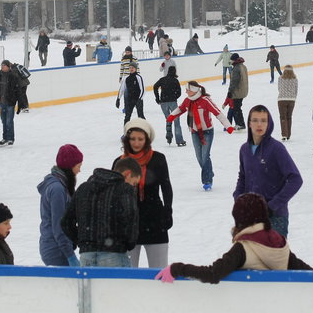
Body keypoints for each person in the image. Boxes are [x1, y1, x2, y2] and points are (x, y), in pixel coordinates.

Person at [154, 193, 313, 284]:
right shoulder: (278, 241)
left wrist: (178, 268)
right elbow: (300, 267)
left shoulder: (243, 248)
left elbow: (213, 274)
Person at [234, 105, 303, 237]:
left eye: (263, 120)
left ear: (269, 123)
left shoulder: (276, 148)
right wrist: (238, 198)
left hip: (275, 218)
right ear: (249, 123)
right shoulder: (245, 150)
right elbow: (243, 177)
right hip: (250, 217)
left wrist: (272, 206)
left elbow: (295, 179)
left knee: (272, 257)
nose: (259, 124)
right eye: (255, 120)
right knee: (251, 257)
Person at [114, 118, 174, 268]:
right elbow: (113, 193)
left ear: (147, 139)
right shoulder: (119, 162)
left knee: (159, 271)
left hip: (154, 220)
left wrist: (168, 210)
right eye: (132, 139)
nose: (136, 143)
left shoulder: (158, 159)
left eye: (140, 139)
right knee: (128, 274)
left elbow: (166, 187)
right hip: (128, 223)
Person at [61, 157, 141, 267]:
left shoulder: (83, 188)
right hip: (115, 254)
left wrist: (83, 242)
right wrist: (127, 243)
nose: (133, 187)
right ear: (127, 174)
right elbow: (131, 219)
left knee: (91, 285)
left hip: (86, 255)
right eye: (134, 183)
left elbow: (66, 222)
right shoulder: (125, 189)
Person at [166, 81, 231, 191]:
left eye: (188, 90)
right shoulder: (188, 101)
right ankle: (209, 172)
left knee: (205, 156)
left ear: (194, 91)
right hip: (194, 132)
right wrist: (171, 116)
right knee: (199, 157)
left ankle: (207, 181)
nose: (186, 91)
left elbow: (217, 113)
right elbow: (181, 108)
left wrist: (228, 126)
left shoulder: (205, 101)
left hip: (207, 132)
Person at [38, 144, 83, 267]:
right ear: (70, 166)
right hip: (56, 249)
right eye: (78, 166)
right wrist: (70, 255)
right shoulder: (57, 189)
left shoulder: (60, 184)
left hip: (56, 246)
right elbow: (59, 224)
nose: (79, 170)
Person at [153, 65, 185, 146]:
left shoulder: (163, 80)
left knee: (168, 119)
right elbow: (179, 92)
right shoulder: (175, 81)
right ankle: (179, 140)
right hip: (172, 102)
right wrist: (174, 97)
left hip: (163, 102)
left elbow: (155, 86)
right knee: (176, 121)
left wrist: (157, 98)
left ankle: (169, 136)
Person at [0, 60, 20, 145]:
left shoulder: (13, 76)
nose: (2, 67)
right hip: (2, 102)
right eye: (2, 66)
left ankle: (11, 138)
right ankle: (5, 138)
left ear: (8, 67)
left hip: (10, 102)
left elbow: (17, 90)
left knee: (9, 121)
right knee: (3, 120)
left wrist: (16, 100)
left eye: (4, 66)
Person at [228, 53, 249, 130]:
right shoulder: (243, 66)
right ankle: (240, 123)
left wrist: (230, 91)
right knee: (238, 107)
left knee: (236, 108)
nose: (231, 61)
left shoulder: (236, 68)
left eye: (232, 60)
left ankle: (240, 124)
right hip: (243, 90)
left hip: (238, 92)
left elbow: (234, 81)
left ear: (235, 60)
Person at [277, 65, 298, 141]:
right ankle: (288, 134)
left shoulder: (280, 78)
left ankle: (284, 134)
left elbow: (279, 88)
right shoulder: (295, 79)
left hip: (282, 99)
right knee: (289, 117)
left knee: (283, 117)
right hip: (291, 100)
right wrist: (293, 97)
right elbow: (296, 90)